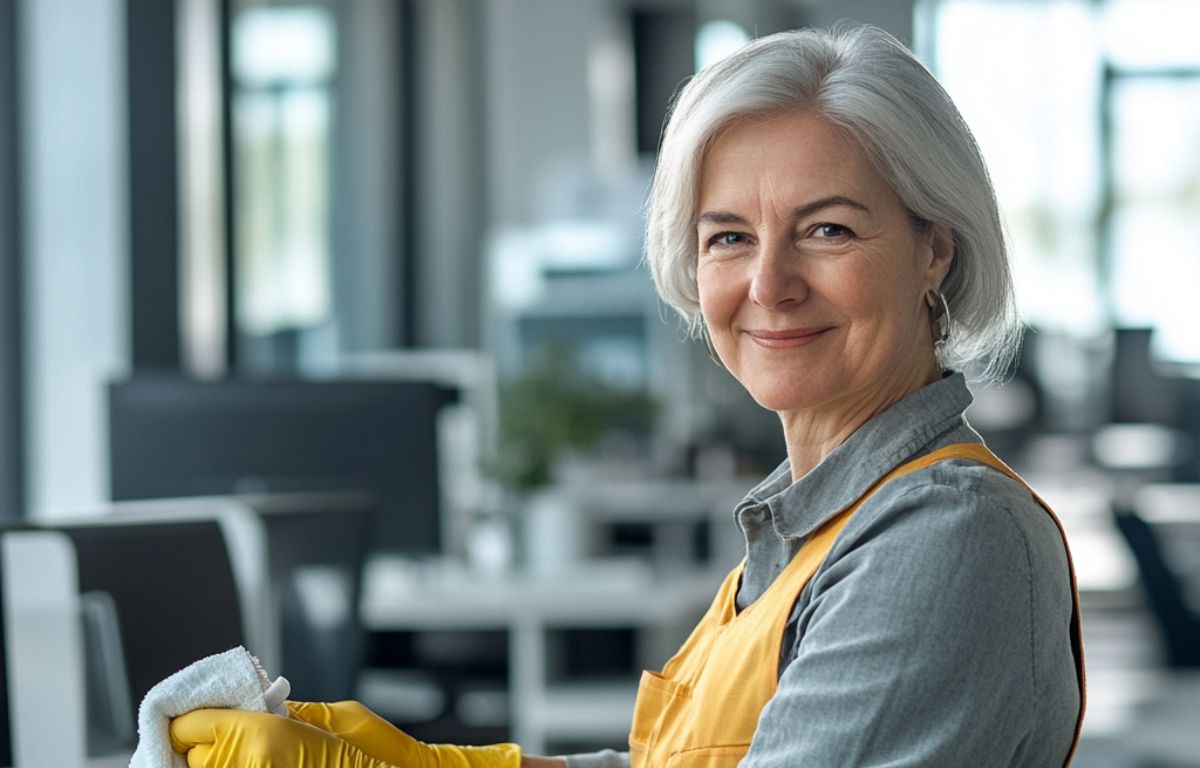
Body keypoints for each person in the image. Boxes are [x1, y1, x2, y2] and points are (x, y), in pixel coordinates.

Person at [170, 23, 1084, 768]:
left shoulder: (945, 535)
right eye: (728, 237)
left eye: (827, 229)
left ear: (936, 249)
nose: (768, 283)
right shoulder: (807, 533)